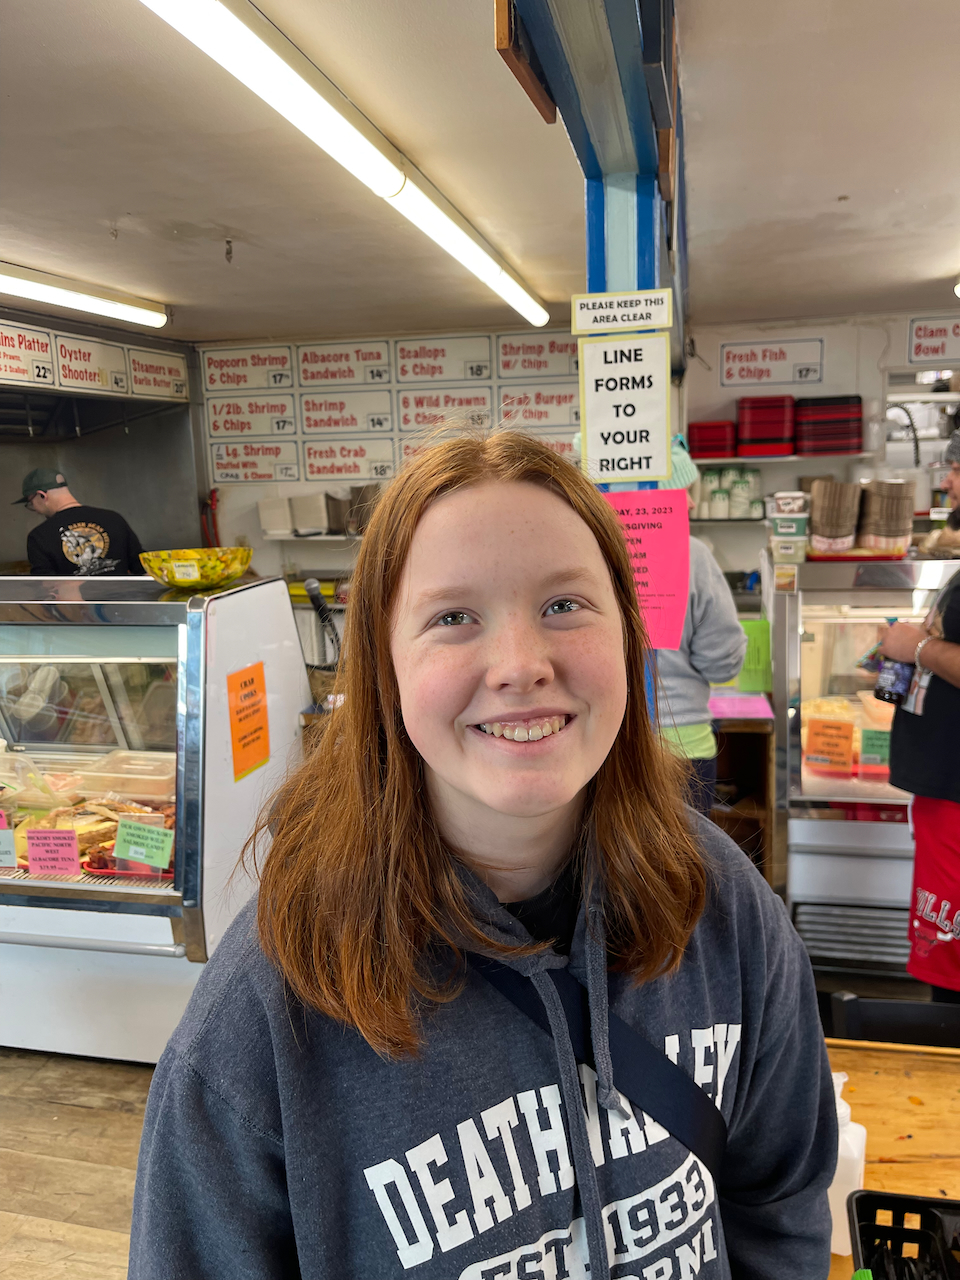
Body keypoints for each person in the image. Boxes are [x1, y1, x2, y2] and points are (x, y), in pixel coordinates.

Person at [128, 431, 835, 1280]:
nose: (519, 666)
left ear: (626, 633)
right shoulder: (265, 1016)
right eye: (453, 617)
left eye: (565, 605)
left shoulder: (721, 901)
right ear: (384, 665)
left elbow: (780, 1199)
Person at [881, 550, 960, 1003]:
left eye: (951, 471)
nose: (946, 478)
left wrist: (917, 648)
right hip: (944, 791)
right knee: (943, 953)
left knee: (949, 965)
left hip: (955, 794)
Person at [656, 439, 747, 814]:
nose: (692, 503)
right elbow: (722, 662)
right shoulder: (690, 554)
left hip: (598, 746)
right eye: (682, 492)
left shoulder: (583, 550)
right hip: (682, 746)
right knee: (682, 869)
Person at [14, 467, 146, 576]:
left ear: (42, 495)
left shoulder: (39, 536)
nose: (35, 510)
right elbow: (143, 568)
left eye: (31, 503)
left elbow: (46, 587)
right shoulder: (114, 518)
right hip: (123, 605)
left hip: (77, 608)